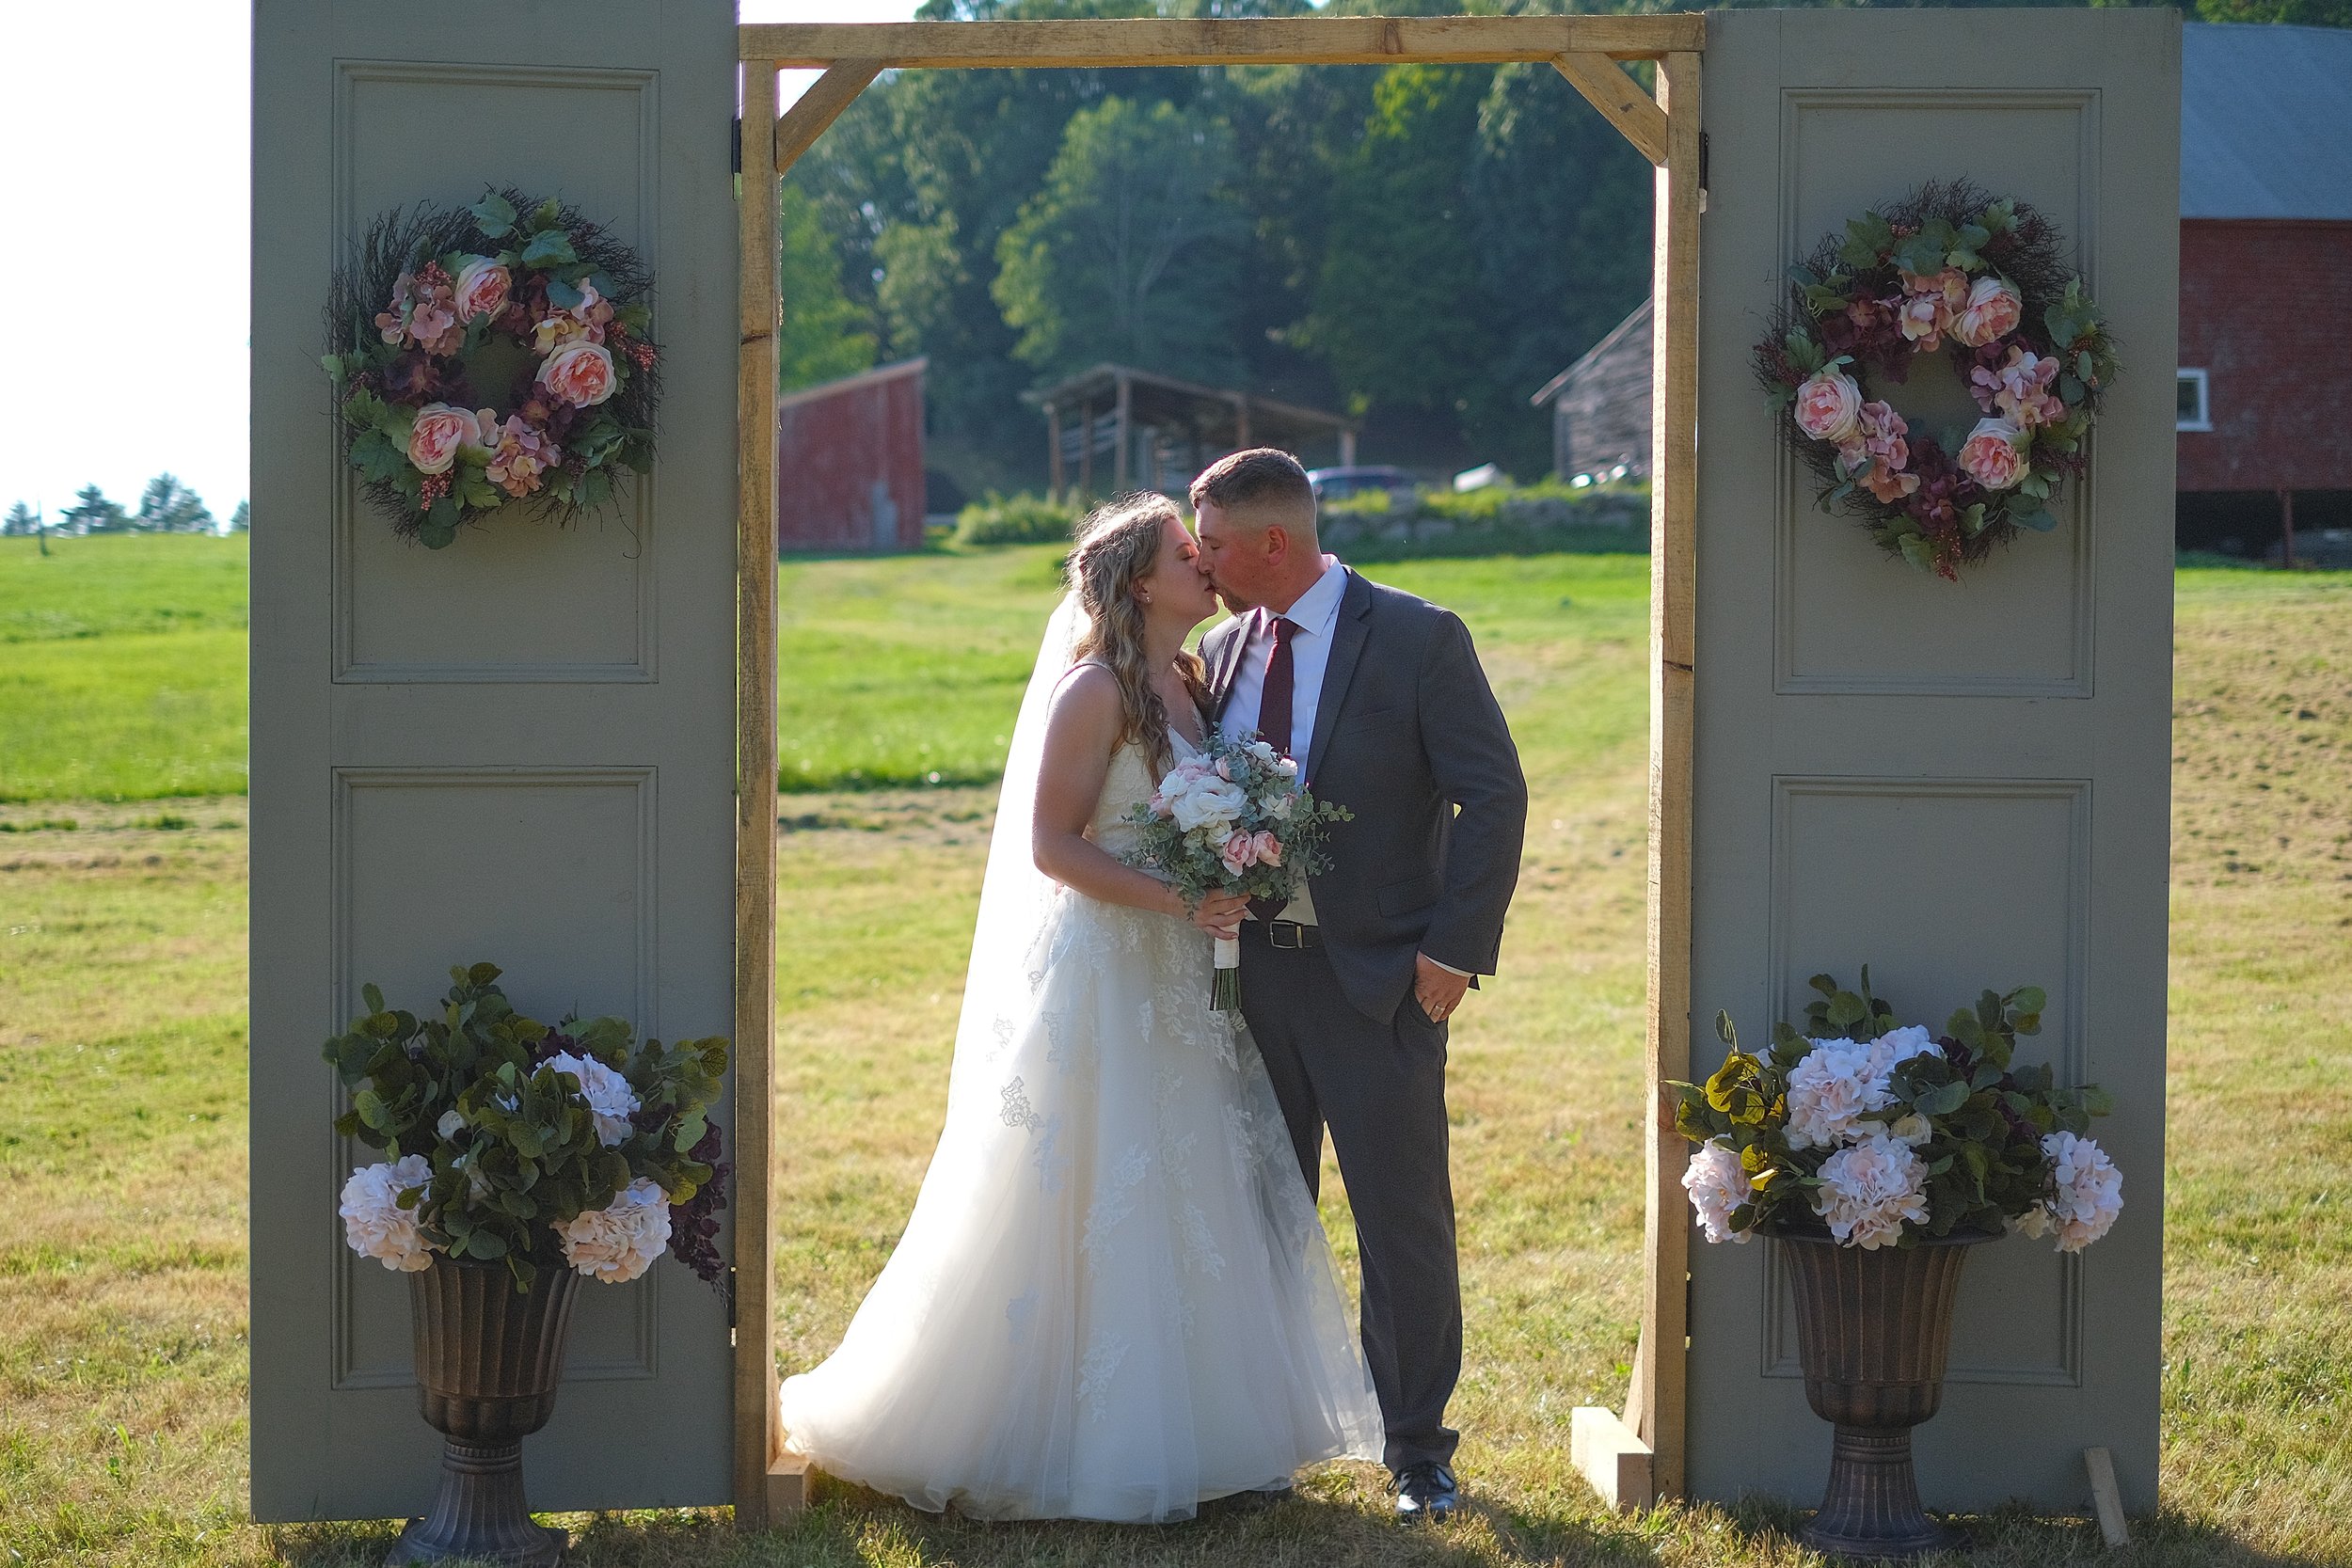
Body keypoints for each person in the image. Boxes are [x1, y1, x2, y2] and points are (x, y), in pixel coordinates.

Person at [778, 492, 1383, 1523]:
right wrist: (1182, 895)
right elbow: (1051, 846)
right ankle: (1020, 1422)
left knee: (1189, 1179)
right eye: (1187, 553)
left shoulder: (1191, 683)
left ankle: (1206, 1428)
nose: (1208, 566)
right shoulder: (1092, 691)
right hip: (1106, 968)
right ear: (1141, 581)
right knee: (1081, 1181)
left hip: (1185, 976)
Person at [1194, 448, 1528, 1525]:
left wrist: (1451, 950)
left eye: (1212, 544)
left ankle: (1418, 1449)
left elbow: (1496, 793)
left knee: (1401, 1222)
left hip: (1382, 983)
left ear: (1273, 543)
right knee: (1257, 1216)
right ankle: (1260, 1442)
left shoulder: (1421, 637)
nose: (1201, 564)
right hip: (1248, 983)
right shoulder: (1214, 649)